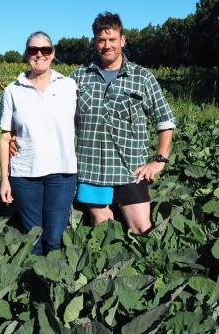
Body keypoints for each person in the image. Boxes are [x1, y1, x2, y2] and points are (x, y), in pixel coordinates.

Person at [70, 12, 176, 234]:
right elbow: (56, 116)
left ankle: (147, 268)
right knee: (102, 228)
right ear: (94, 42)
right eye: (101, 40)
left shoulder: (142, 77)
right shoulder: (79, 77)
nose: (107, 45)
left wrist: (159, 160)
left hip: (130, 168)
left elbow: (165, 120)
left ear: (122, 40)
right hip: (92, 169)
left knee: (141, 228)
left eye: (112, 40)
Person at [0, 31, 77, 255]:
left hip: (62, 172)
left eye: (46, 50)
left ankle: (55, 286)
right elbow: (5, 138)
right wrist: (5, 179)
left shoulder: (69, 86)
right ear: (27, 55)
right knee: (33, 238)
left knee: (55, 238)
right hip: (25, 174)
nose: (40, 54)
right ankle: (34, 287)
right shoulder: (13, 90)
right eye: (33, 50)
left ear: (53, 54)